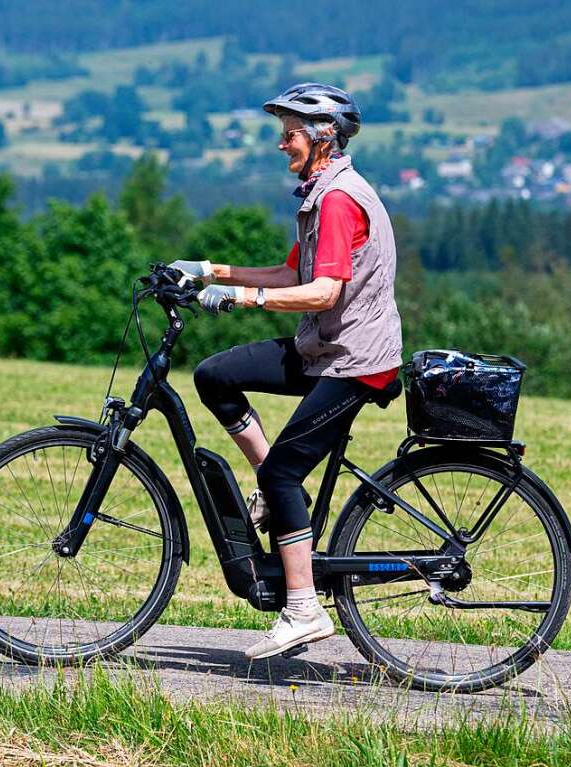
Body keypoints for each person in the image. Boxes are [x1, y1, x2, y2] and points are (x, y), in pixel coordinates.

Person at [169, 83, 403, 660]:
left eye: (289, 133)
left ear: (324, 138)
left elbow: (322, 291)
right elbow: (289, 271)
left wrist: (242, 300)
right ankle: (277, 493)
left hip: (355, 362)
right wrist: (209, 271)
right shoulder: (321, 193)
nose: (281, 144)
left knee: (281, 474)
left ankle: (303, 610)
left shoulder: (340, 200)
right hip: (324, 348)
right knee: (215, 376)